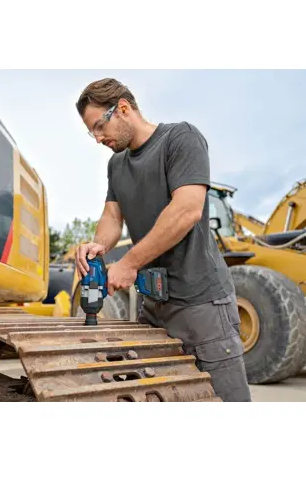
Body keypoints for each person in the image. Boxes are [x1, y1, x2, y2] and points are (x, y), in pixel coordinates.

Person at [74, 77, 252, 402]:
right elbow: (112, 216)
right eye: (92, 132)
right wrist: (99, 245)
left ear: (123, 108)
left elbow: (186, 211)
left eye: (99, 126)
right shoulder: (117, 164)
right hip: (153, 305)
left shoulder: (180, 139)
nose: (98, 138)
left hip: (200, 305)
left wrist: (129, 263)